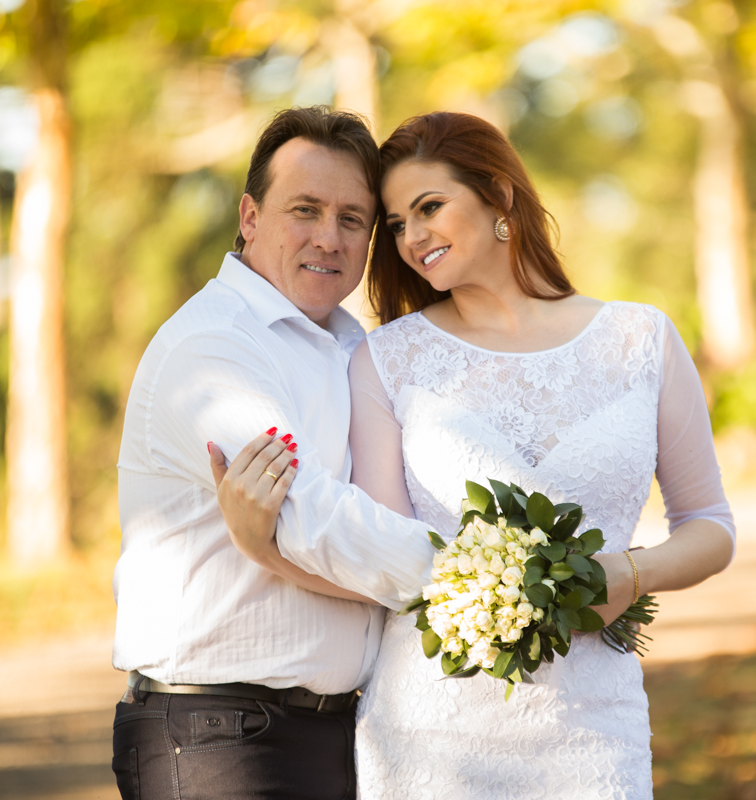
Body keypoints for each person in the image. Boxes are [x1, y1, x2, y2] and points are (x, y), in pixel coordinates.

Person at [215, 111, 736, 799]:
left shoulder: (643, 339)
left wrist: (627, 573)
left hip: (594, 728)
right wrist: (265, 549)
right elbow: (382, 563)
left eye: (430, 207)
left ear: (500, 197)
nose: (413, 238)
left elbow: (710, 526)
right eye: (397, 224)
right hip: (432, 734)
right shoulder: (385, 361)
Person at [110, 106, 437, 800]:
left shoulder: (355, 346)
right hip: (217, 737)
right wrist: (475, 580)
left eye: (353, 218)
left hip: (341, 733)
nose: (330, 237)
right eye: (306, 209)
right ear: (251, 216)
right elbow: (310, 516)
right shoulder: (214, 348)